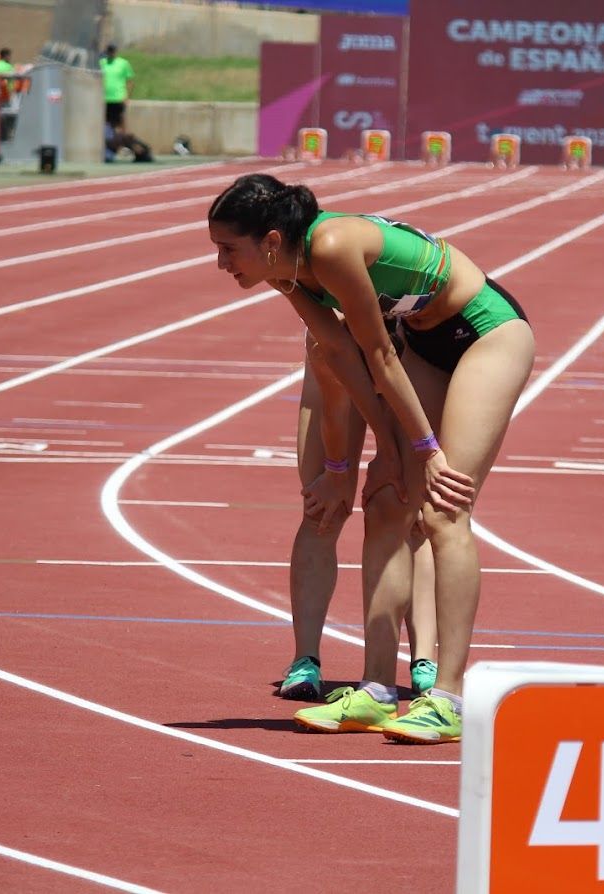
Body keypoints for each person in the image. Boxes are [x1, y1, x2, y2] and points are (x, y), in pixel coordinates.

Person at [208, 174, 535, 744]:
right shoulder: (285, 273)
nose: (220, 264)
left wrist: (425, 450)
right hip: (425, 340)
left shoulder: (329, 248)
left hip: (485, 332)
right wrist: (373, 453)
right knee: (386, 501)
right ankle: (379, 690)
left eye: (227, 249)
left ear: (269, 240)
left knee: (442, 508)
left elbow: (380, 356)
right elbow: (338, 355)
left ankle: (450, 699)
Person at [279, 333, 437, 702]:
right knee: (322, 509)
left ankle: (425, 659)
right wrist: (337, 472)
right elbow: (335, 404)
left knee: (414, 515)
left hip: (412, 354)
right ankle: (305, 660)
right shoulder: (330, 323)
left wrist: (397, 455)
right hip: (342, 356)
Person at [100, 44, 135, 131]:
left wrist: (127, 97)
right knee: (105, 123)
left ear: (115, 51)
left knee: (120, 122)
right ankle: (108, 141)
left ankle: (123, 141)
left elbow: (130, 82)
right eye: (109, 51)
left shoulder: (123, 63)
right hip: (105, 98)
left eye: (112, 51)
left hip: (118, 98)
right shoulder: (102, 63)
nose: (111, 53)